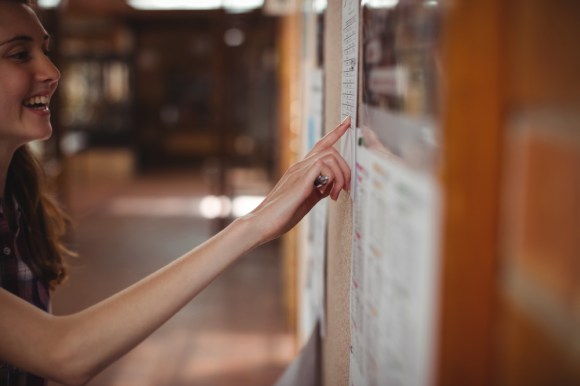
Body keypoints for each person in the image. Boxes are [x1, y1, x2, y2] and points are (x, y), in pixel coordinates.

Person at [0, 1, 352, 385]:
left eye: (45, 51)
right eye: (19, 54)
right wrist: (253, 225)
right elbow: (63, 353)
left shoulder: (18, 197)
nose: (51, 72)